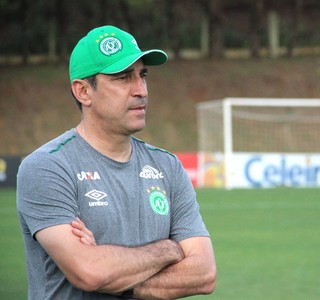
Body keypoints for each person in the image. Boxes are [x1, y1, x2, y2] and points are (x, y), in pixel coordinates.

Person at [17, 25, 216, 299]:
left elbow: (204, 274)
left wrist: (114, 275)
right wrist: (170, 249)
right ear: (83, 92)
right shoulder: (48, 167)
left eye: (142, 76)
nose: (141, 90)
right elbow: (89, 272)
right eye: (123, 78)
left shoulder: (167, 167)